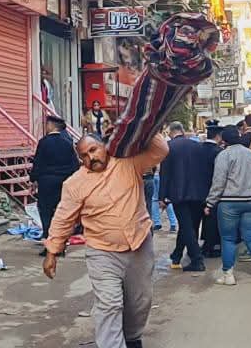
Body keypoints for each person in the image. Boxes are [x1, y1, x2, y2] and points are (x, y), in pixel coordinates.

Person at [43, 134, 170, 348]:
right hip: (102, 252)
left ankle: (131, 338)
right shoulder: (74, 184)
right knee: (109, 304)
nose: (91, 157)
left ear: (105, 146)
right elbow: (63, 218)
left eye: (93, 150)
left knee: (139, 302)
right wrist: (52, 252)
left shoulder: (129, 163)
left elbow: (161, 151)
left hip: (139, 244)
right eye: (84, 155)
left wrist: (146, 127)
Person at [205, 125, 251, 286]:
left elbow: (218, 182)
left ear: (224, 140)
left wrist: (210, 202)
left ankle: (228, 276)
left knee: (228, 239)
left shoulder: (224, 155)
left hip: (229, 203)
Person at [159, 122, 209, 271]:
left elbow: (165, 174)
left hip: (179, 193)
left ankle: (197, 260)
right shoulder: (198, 146)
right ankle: (177, 255)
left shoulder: (169, 147)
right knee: (188, 226)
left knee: (186, 227)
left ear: (171, 132)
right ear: (182, 131)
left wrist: (162, 197)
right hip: (199, 193)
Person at [30, 115, 79, 257]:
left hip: (46, 183)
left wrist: (33, 179)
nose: (46, 127)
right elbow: (74, 164)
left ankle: (49, 246)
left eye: (47, 124)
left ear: (52, 126)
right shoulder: (68, 142)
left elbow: (38, 163)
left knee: (46, 214)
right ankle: (61, 246)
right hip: (64, 182)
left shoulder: (44, 142)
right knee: (61, 215)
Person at [197, 121, 225, 258]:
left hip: (199, 190)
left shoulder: (198, 149)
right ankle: (211, 245)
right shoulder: (219, 152)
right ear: (218, 136)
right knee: (213, 219)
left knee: (201, 218)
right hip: (214, 189)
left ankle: (204, 245)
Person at [151, 165, 178, 232]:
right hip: (164, 176)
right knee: (167, 200)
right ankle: (173, 224)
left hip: (153, 174)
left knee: (154, 200)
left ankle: (157, 223)